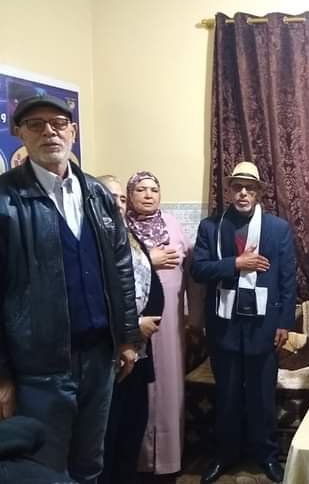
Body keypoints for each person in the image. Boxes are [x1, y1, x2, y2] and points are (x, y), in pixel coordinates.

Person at [0, 94, 139, 482]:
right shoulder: (5, 199)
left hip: (100, 359)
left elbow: (121, 269)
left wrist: (127, 338)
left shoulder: (97, 194)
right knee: (45, 472)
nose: (49, 132)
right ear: (20, 134)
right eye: (36, 124)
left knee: (89, 465)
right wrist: (2, 375)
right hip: (38, 369)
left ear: (72, 132)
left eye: (58, 123)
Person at [191, 161, 296, 484]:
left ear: (259, 192)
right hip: (224, 326)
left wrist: (284, 323)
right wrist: (236, 263)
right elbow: (199, 270)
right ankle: (225, 454)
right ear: (229, 190)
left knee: (263, 397)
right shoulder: (211, 227)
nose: (243, 193)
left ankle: (266, 455)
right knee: (227, 395)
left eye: (250, 188)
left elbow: (288, 279)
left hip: (264, 326)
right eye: (237, 187)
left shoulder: (277, 228)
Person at [126, 171, 194, 477]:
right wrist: (147, 259)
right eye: (141, 189)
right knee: (138, 386)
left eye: (154, 189)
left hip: (170, 324)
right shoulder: (121, 226)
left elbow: (191, 271)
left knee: (169, 386)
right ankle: (138, 460)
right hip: (132, 321)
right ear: (130, 195)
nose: (148, 195)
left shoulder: (172, 224)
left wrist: (195, 317)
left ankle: (168, 460)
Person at [97, 175, 164, 484]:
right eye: (109, 197)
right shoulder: (90, 239)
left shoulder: (129, 235)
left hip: (139, 351)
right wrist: (135, 325)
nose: (118, 204)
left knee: (133, 428)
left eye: (121, 198)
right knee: (107, 434)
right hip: (108, 355)